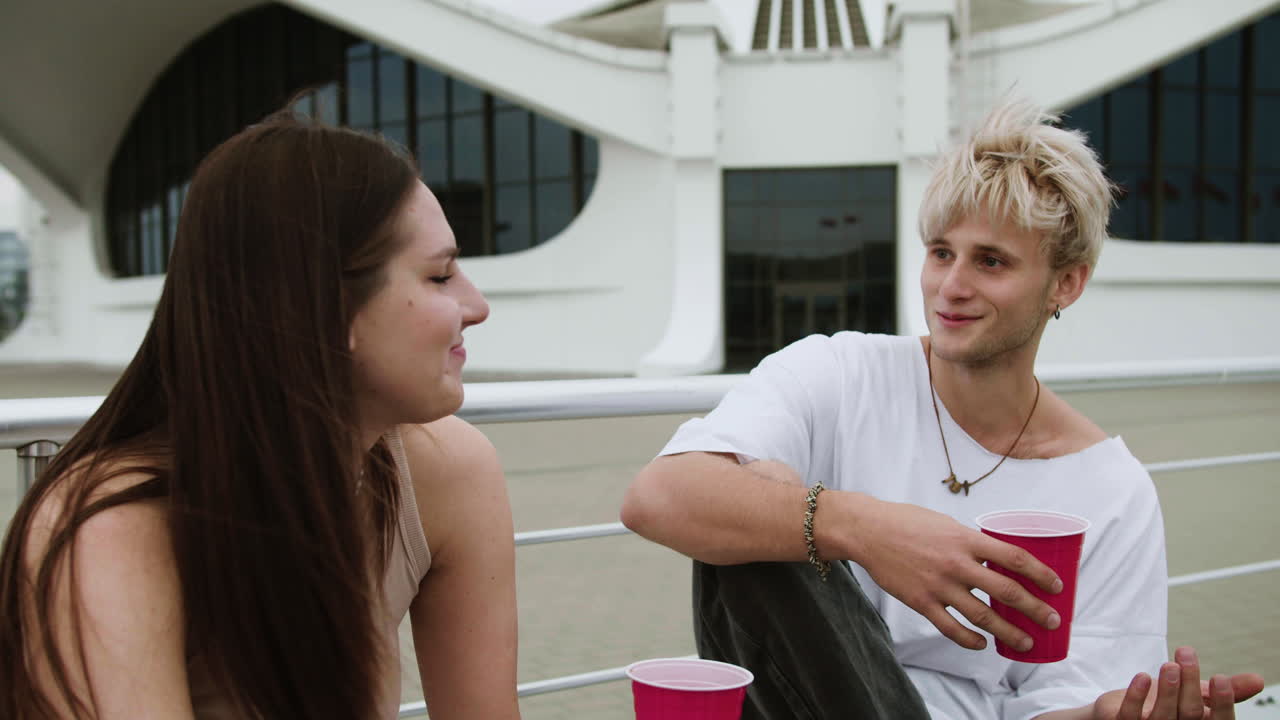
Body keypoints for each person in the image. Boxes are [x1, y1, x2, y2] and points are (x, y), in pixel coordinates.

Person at [620, 99, 1264, 720]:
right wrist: (863, 528)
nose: (951, 287)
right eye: (940, 252)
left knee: (763, 497)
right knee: (751, 505)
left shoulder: (1111, 490)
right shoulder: (840, 374)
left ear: (1066, 283)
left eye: (991, 261)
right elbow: (655, 496)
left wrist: (1105, 714)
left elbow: (1058, 705)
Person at [0, 111, 520, 719]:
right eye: (439, 274)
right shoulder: (110, 530)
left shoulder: (447, 470)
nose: (476, 305)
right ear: (325, 306)